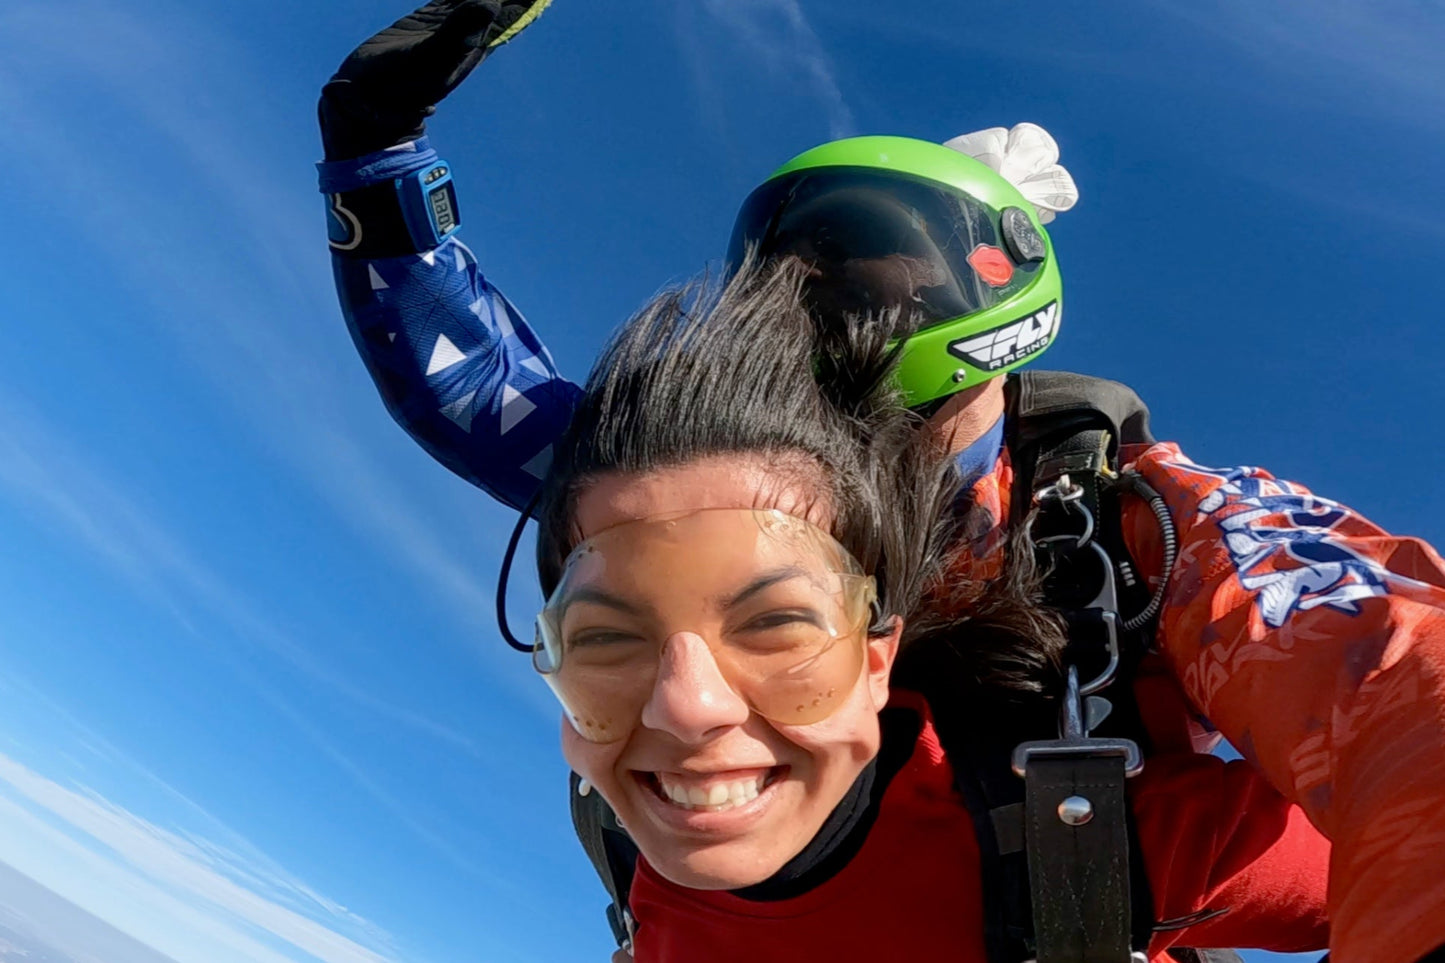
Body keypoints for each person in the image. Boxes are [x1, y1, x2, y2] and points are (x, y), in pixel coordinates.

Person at [316, 3, 1445, 961]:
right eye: (789, 285)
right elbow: (481, 399)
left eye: (878, 284)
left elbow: (1387, 673)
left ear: (999, 308)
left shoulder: (1138, 516)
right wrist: (377, 153)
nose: (824, 324)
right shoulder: (721, 487)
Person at [525, 258, 1327, 961]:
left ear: (877, 656)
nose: (684, 709)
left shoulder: (1078, 839)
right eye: (603, 637)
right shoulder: (627, 840)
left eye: (776, 624)